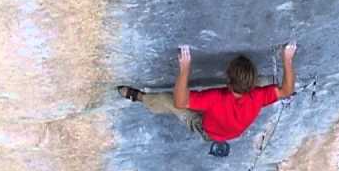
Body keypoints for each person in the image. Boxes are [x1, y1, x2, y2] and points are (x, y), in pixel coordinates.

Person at [118, 42, 297, 147]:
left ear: (227, 81)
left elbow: (181, 102)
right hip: (234, 129)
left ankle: (140, 97)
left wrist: (185, 68)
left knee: (168, 101)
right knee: (270, 84)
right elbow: (287, 91)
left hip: (209, 131)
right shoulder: (258, 96)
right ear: (251, 83)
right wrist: (287, 59)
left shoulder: (215, 98)